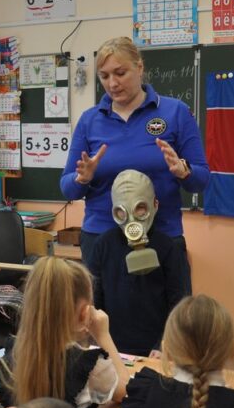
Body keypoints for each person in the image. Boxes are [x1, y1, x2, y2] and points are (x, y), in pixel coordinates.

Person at [60, 36, 209, 284]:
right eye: (104, 76)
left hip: (162, 238)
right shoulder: (89, 120)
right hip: (101, 239)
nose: (112, 83)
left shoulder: (176, 112)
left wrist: (184, 171)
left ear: (139, 68)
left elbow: (201, 180)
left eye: (120, 73)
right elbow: (67, 188)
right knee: (101, 309)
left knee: (170, 309)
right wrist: (82, 178)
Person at [0, 256, 129, 408]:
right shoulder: (89, 369)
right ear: (84, 313)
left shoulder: (13, 355)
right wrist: (103, 335)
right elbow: (126, 390)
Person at [91, 170, 187, 356]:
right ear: (114, 212)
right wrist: (102, 343)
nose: (132, 218)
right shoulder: (103, 245)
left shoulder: (167, 247)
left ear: (155, 205)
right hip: (114, 345)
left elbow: (178, 303)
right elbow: (96, 300)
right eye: (122, 211)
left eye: (140, 208)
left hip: (155, 348)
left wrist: (163, 343)